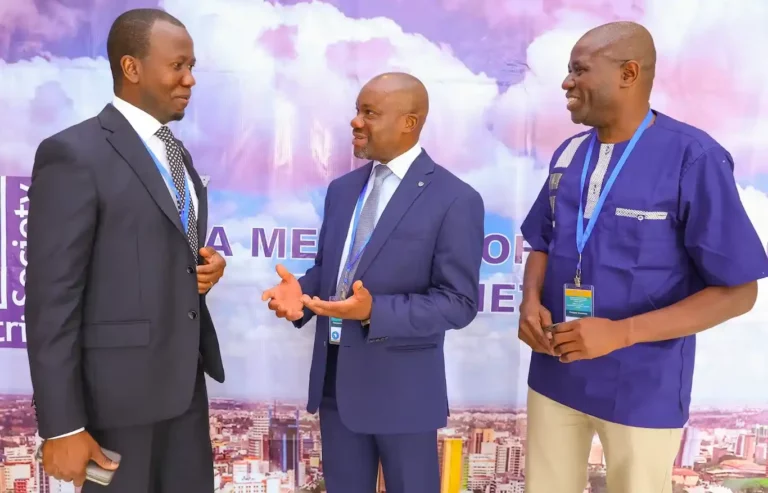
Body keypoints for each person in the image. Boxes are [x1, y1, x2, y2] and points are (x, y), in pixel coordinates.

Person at [518, 20, 768, 493]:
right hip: (554, 372)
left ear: (628, 73)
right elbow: (543, 243)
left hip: (641, 386)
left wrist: (621, 333)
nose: (566, 83)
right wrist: (530, 301)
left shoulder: (693, 158)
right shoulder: (569, 155)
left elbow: (739, 293)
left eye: (579, 70)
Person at [25, 8, 226, 492]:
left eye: (192, 65)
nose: (190, 79)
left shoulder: (180, 156)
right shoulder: (73, 154)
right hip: (113, 406)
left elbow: (166, 245)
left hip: (183, 392)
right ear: (132, 68)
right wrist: (62, 426)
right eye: (178, 65)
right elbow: (52, 299)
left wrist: (204, 265)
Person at [261, 72, 484, 493]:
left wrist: (374, 312)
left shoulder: (456, 199)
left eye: (370, 113)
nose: (355, 122)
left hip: (404, 393)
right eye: (357, 110)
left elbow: (458, 302)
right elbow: (331, 274)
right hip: (335, 386)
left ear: (409, 122)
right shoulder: (342, 191)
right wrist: (302, 293)